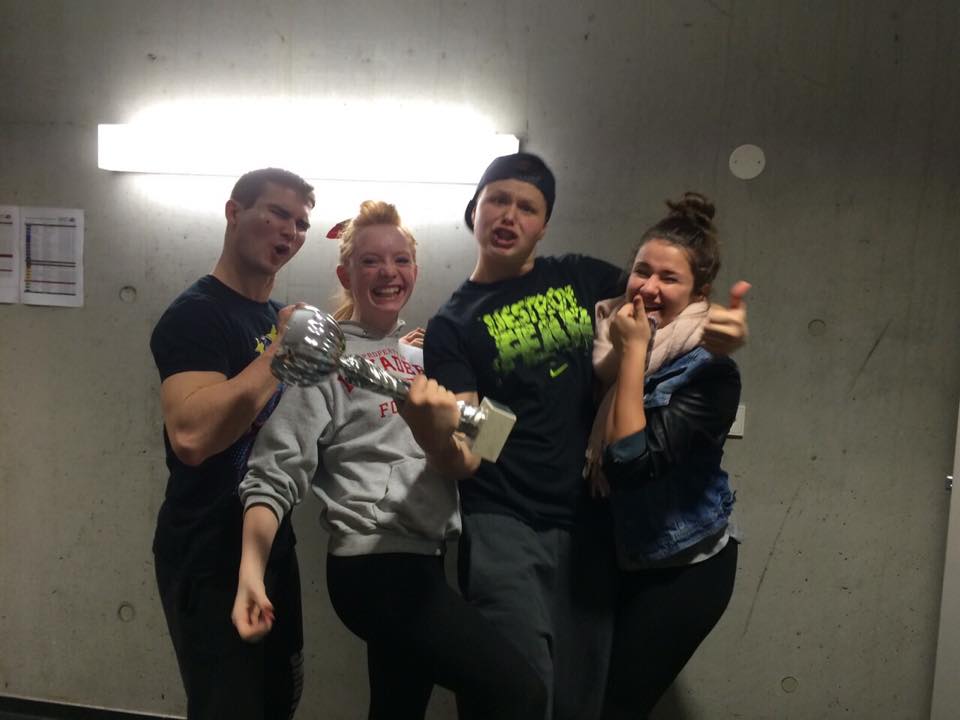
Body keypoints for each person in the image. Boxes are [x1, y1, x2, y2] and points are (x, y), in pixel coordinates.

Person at [419, 153, 749, 720]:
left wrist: (725, 325)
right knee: (517, 694)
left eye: (527, 207)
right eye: (498, 200)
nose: (509, 215)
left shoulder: (579, 276)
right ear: (475, 209)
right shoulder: (453, 324)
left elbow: (670, 296)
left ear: (544, 225)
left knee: (581, 702)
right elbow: (469, 441)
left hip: (592, 527)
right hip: (505, 521)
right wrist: (434, 436)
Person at [230, 200, 546, 720]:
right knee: (519, 693)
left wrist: (470, 395)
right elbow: (273, 473)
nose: (388, 272)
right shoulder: (326, 362)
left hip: (427, 558)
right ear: (346, 275)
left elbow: (488, 443)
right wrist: (251, 572)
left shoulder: (428, 356)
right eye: (371, 261)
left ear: (415, 271)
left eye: (400, 260)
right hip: (375, 569)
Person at [149, 167, 315, 720]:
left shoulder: (275, 316)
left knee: (278, 702)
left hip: (271, 544)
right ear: (234, 212)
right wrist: (282, 349)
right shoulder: (195, 315)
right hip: (207, 551)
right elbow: (192, 436)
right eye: (278, 213)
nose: (291, 230)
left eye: (301, 223)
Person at [586, 192, 742, 718]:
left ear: (699, 293)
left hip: (684, 567)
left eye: (669, 278)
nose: (649, 287)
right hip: (619, 557)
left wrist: (635, 351)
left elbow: (630, 463)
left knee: (616, 709)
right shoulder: (605, 339)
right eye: (641, 271)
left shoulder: (710, 370)